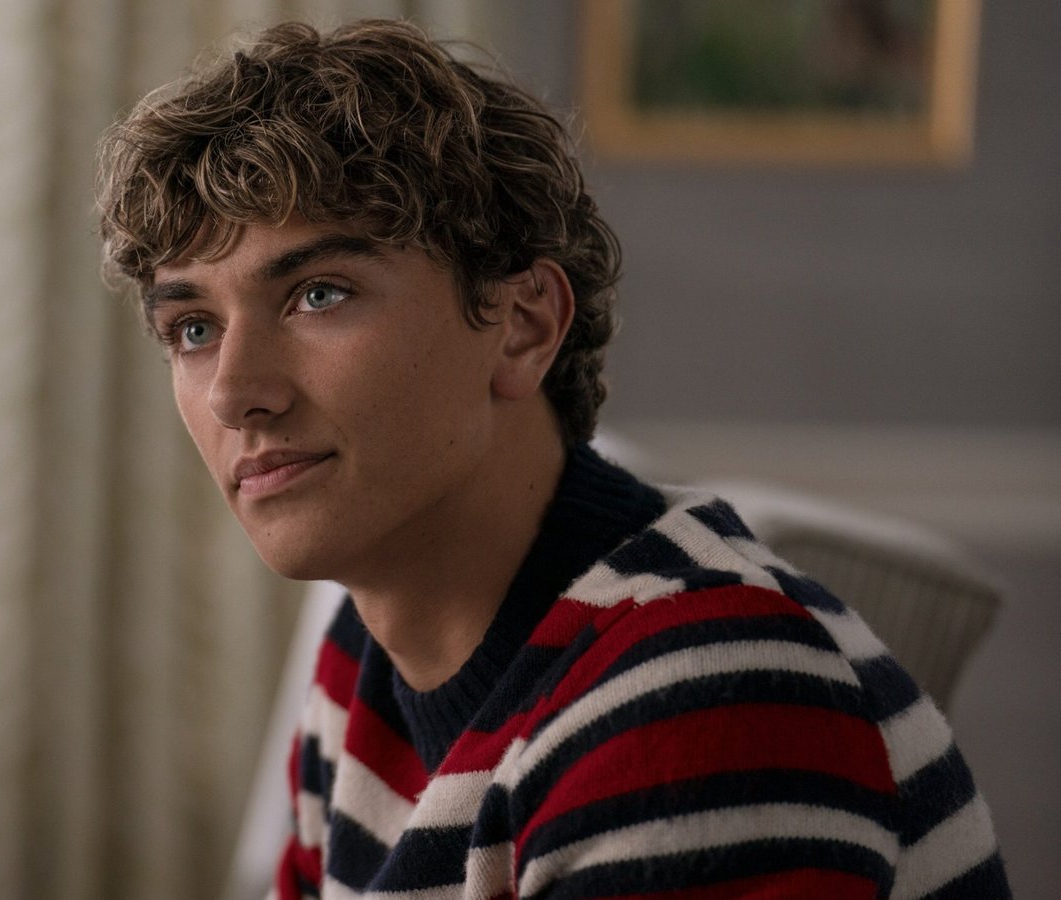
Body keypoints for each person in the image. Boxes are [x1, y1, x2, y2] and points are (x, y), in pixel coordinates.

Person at [95, 18, 1010, 900]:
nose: (233, 392)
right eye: (194, 329)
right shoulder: (363, 659)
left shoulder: (703, 694)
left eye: (318, 294)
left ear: (525, 325)